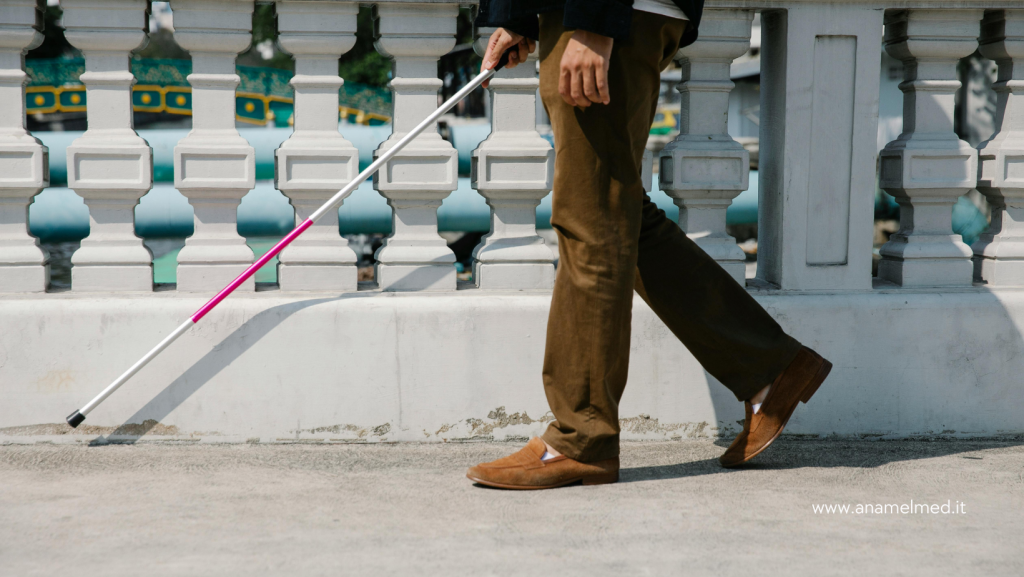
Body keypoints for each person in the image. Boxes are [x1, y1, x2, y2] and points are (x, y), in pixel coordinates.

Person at [467, 0, 832, 490]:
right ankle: (770, 367)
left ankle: (582, 438)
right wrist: (518, 12)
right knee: (619, 217)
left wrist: (594, 20)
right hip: (601, 13)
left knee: (591, 218)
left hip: (606, 13)